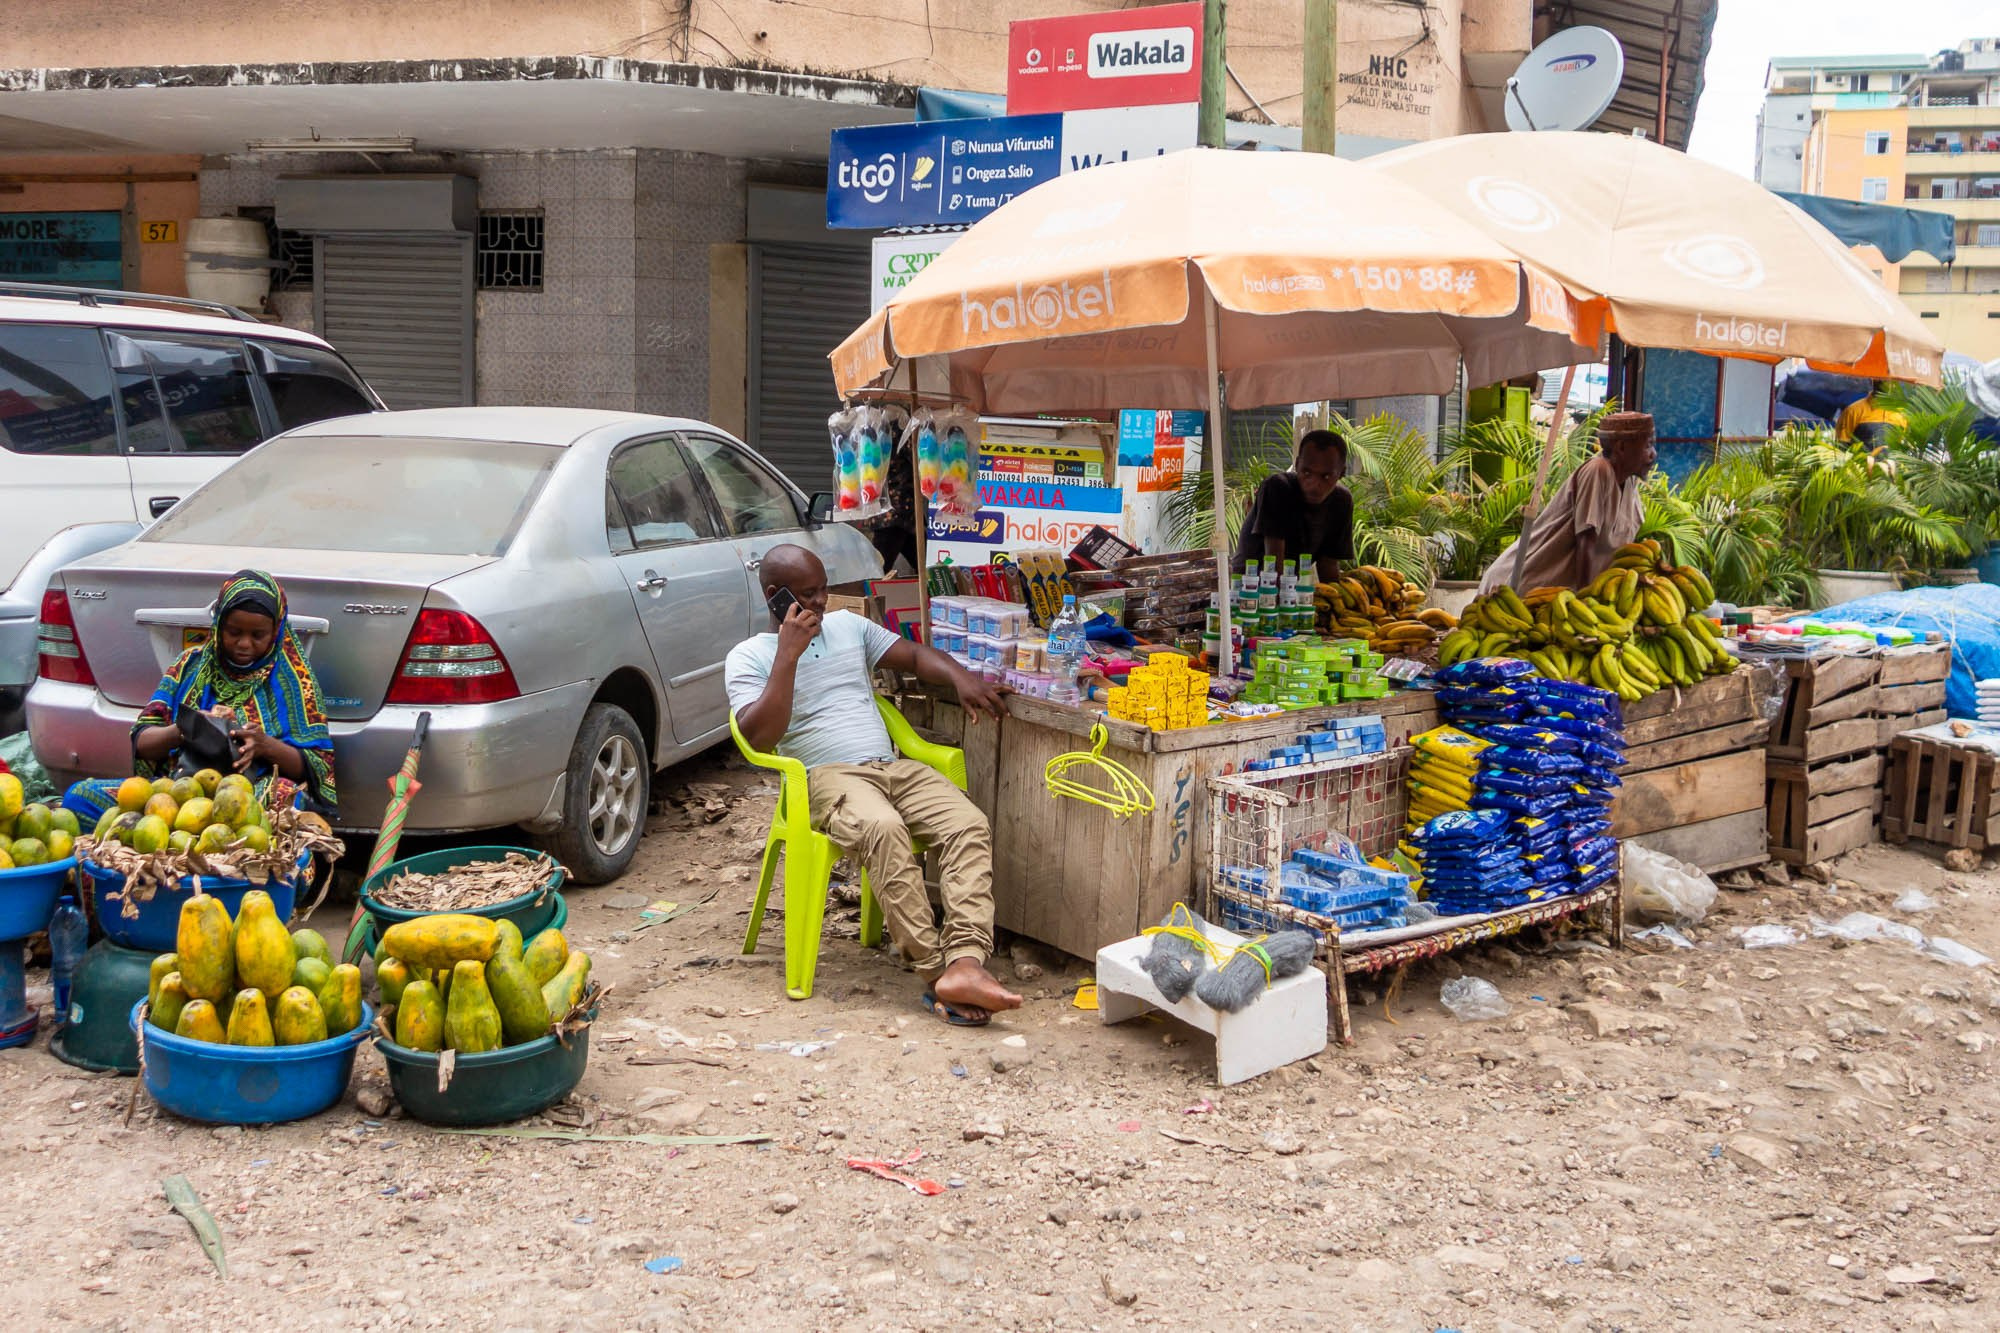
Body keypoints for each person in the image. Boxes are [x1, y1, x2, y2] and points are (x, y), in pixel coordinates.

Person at [726, 544, 1021, 1025]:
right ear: (774, 595)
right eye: (807, 594)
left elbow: (914, 656)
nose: (821, 601)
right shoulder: (749, 656)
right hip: (827, 776)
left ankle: (966, 961)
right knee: (884, 829)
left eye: (823, 589)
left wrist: (960, 676)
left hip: (890, 768)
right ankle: (935, 972)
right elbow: (759, 736)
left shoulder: (850, 626)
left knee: (967, 823)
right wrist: (787, 655)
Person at [66, 570, 336, 821]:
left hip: (250, 795)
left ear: (276, 631)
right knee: (81, 797)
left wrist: (264, 745)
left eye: (258, 635)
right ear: (218, 624)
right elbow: (142, 741)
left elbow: (316, 766)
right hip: (177, 792)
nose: (244, 643)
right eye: (234, 632)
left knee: (286, 798)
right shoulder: (189, 665)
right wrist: (186, 728)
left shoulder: (293, 680)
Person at [1479, 411, 1655, 596]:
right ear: (1622, 448)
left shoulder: (1630, 482)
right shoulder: (1598, 470)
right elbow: (1586, 537)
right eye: (1648, 445)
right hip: (1523, 585)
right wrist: (1586, 598)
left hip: (1557, 594)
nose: (1653, 455)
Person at [1231, 428, 1355, 582]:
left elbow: (1328, 564)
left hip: (1289, 588)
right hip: (1247, 586)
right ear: (1297, 465)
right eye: (1307, 473)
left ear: (1342, 473)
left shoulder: (1341, 501)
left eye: (1326, 476)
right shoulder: (1277, 487)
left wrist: (1337, 595)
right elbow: (1273, 564)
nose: (1314, 484)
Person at [1836, 381, 1907, 448]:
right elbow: (1841, 447)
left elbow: (1904, 448)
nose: (1887, 382)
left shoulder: (1901, 415)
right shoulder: (1853, 411)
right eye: (1882, 378)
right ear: (1872, 379)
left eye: (1891, 379)